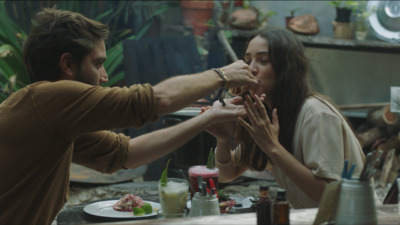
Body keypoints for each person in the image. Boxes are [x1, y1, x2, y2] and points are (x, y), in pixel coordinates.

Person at [0, 8, 258, 224]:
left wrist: (208, 118)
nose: (105, 77)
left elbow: (126, 154)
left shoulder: (52, 117)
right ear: (68, 65)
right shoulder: (51, 98)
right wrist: (222, 75)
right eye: (98, 63)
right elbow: (157, 100)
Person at [205, 27, 366, 209]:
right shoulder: (268, 113)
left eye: (263, 60)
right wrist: (224, 140)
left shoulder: (315, 113)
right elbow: (227, 174)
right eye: (248, 61)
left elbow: (329, 198)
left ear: (286, 68)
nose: (250, 69)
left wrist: (272, 147)